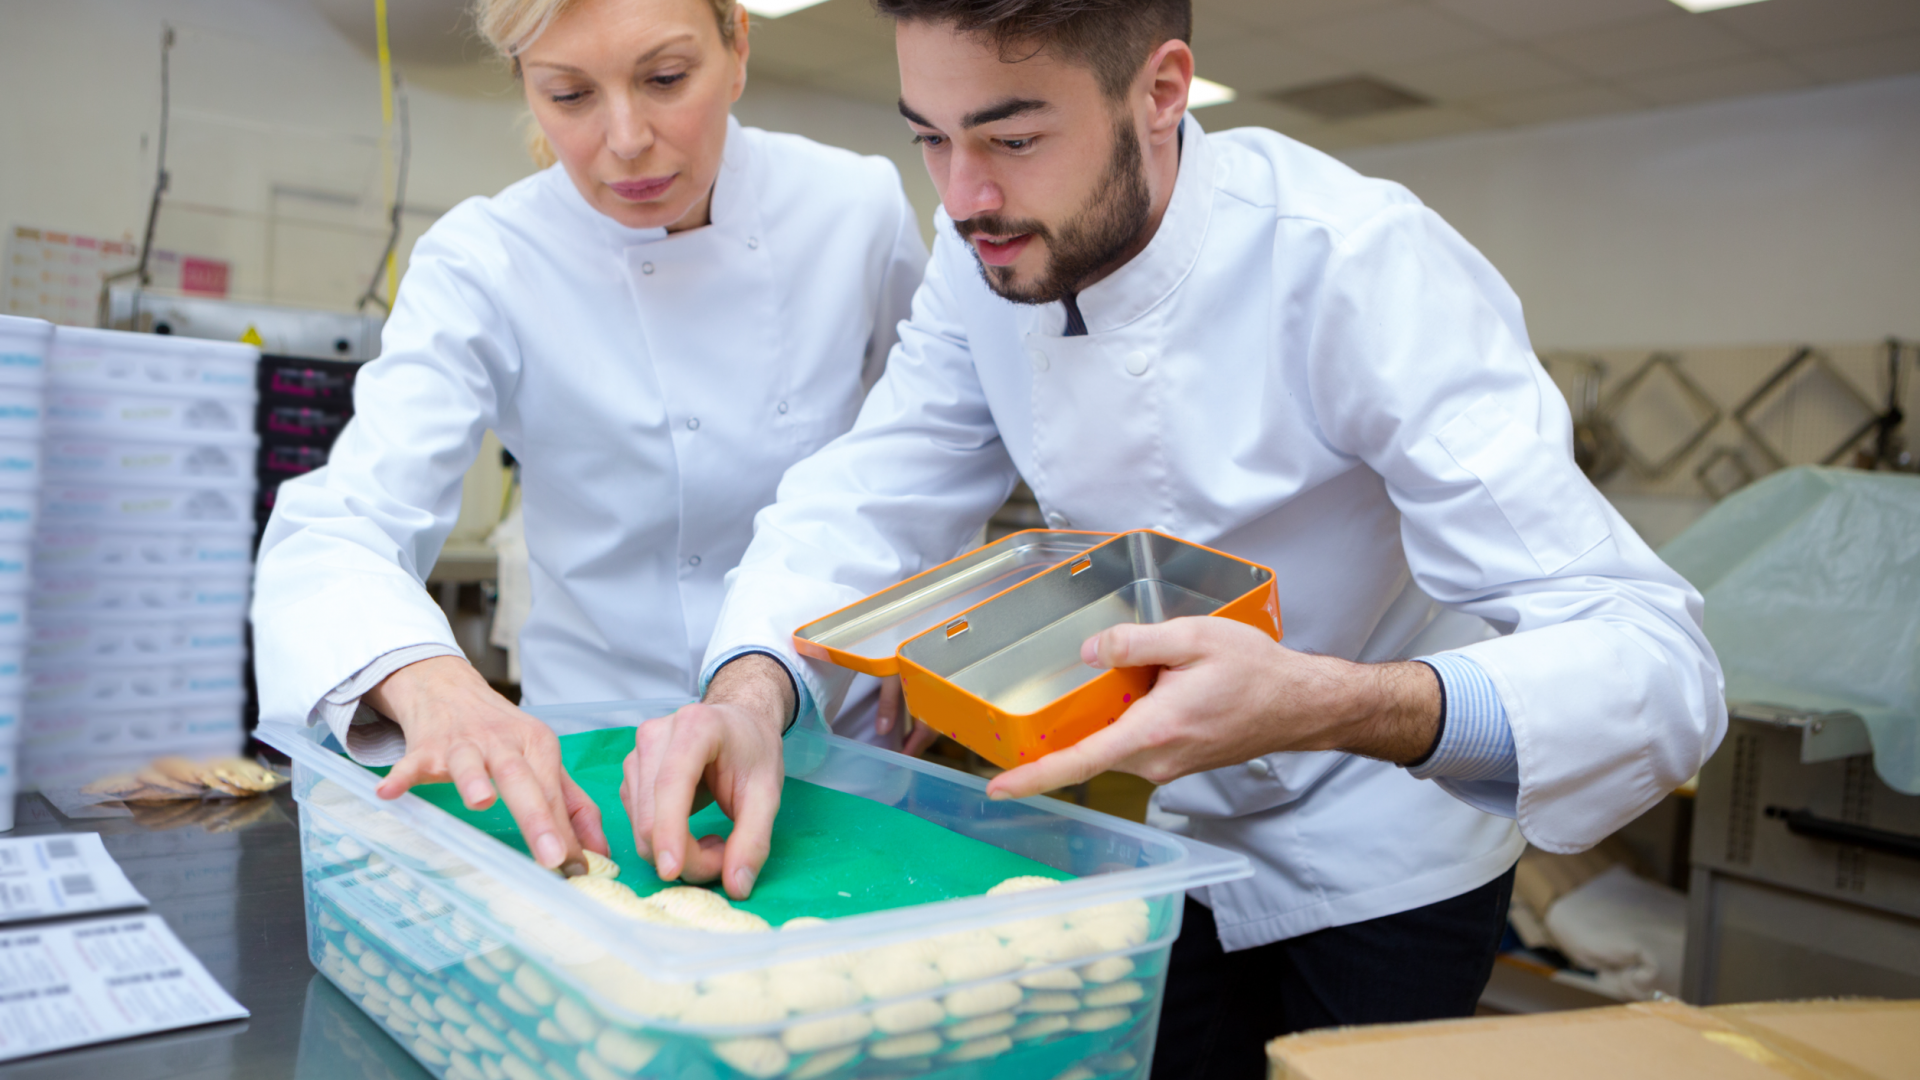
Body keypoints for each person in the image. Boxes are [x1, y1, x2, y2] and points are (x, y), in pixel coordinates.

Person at [624, 0, 1726, 1075]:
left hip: (1388, 845)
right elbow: (871, 494)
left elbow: (1657, 662)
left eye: (1012, 136)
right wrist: (751, 691)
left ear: (1160, 91)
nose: (965, 197)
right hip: (1171, 834)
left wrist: (1332, 700)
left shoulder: (1355, 261)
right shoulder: (981, 259)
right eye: (929, 139)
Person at [250, 0, 927, 879]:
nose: (626, 139)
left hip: (830, 737)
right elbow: (342, 525)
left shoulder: (854, 209)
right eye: (569, 94)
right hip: (586, 762)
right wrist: (436, 684)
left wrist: (925, 612)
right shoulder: (486, 259)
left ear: (739, 47)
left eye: (666, 79)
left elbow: (925, 441)